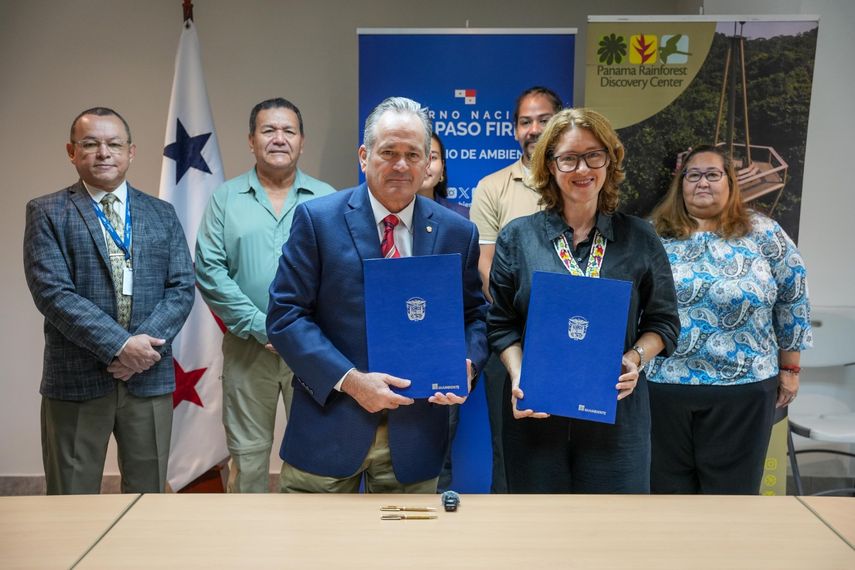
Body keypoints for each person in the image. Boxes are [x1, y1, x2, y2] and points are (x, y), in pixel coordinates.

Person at [266, 97, 488, 493]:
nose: (401, 165)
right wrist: (351, 381)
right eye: (388, 152)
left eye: (412, 154)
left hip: (416, 436)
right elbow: (286, 316)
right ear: (364, 156)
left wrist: (466, 365)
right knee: (312, 552)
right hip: (330, 425)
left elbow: (475, 316)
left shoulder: (458, 233)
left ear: (427, 163)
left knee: (407, 555)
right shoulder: (318, 221)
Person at [487, 108, 680, 493]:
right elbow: (500, 323)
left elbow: (664, 321)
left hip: (616, 415)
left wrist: (636, 358)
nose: (582, 168)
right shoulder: (518, 237)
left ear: (610, 160)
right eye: (569, 158)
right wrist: (519, 373)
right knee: (539, 534)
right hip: (537, 415)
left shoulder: (640, 237)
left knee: (612, 537)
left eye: (594, 155)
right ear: (549, 166)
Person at [23, 107, 195, 494]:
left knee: (147, 495)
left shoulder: (162, 213)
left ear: (131, 152)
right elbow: (52, 293)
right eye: (90, 144)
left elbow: (182, 287)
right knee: (71, 495)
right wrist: (119, 346)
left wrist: (141, 349)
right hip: (77, 377)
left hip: (148, 375)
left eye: (114, 144)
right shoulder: (47, 212)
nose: (103, 152)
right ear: (71, 151)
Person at [647, 144, 813, 495]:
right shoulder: (653, 235)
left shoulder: (765, 234)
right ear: (681, 183)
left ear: (730, 182)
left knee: (732, 500)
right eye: (693, 175)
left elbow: (794, 296)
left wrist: (791, 369)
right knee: (665, 497)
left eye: (712, 174)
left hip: (744, 389)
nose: (702, 183)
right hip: (663, 388)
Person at [195, 98, 336, 493]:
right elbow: (209, 271)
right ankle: (248, 547)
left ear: (302, 142)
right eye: (268, 130)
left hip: (311, 349)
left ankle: (306, 547)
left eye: (288, 131)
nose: (279, 139)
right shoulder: (226, 198)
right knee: (248, 458)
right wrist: (266, 328)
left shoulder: (327, 199)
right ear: (251, 140)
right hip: (247, 348)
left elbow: (340, 275)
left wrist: (294, 333)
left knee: (313, 457)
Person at [469, 86, 563, 492]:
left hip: (570, 336)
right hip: (509, 335)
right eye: (526, 121)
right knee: (507, 442)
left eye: (544, 120)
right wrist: (522, 323)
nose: (535, 129)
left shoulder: (579, 181)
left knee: (569, 438)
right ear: (514, 130)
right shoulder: (492, 187)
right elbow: (485, 266)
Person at [418, 132, 469, 219]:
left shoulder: (461, 216)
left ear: (442, 168)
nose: (426, 164)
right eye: (416, 156)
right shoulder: (391, 215)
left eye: (433, 157)